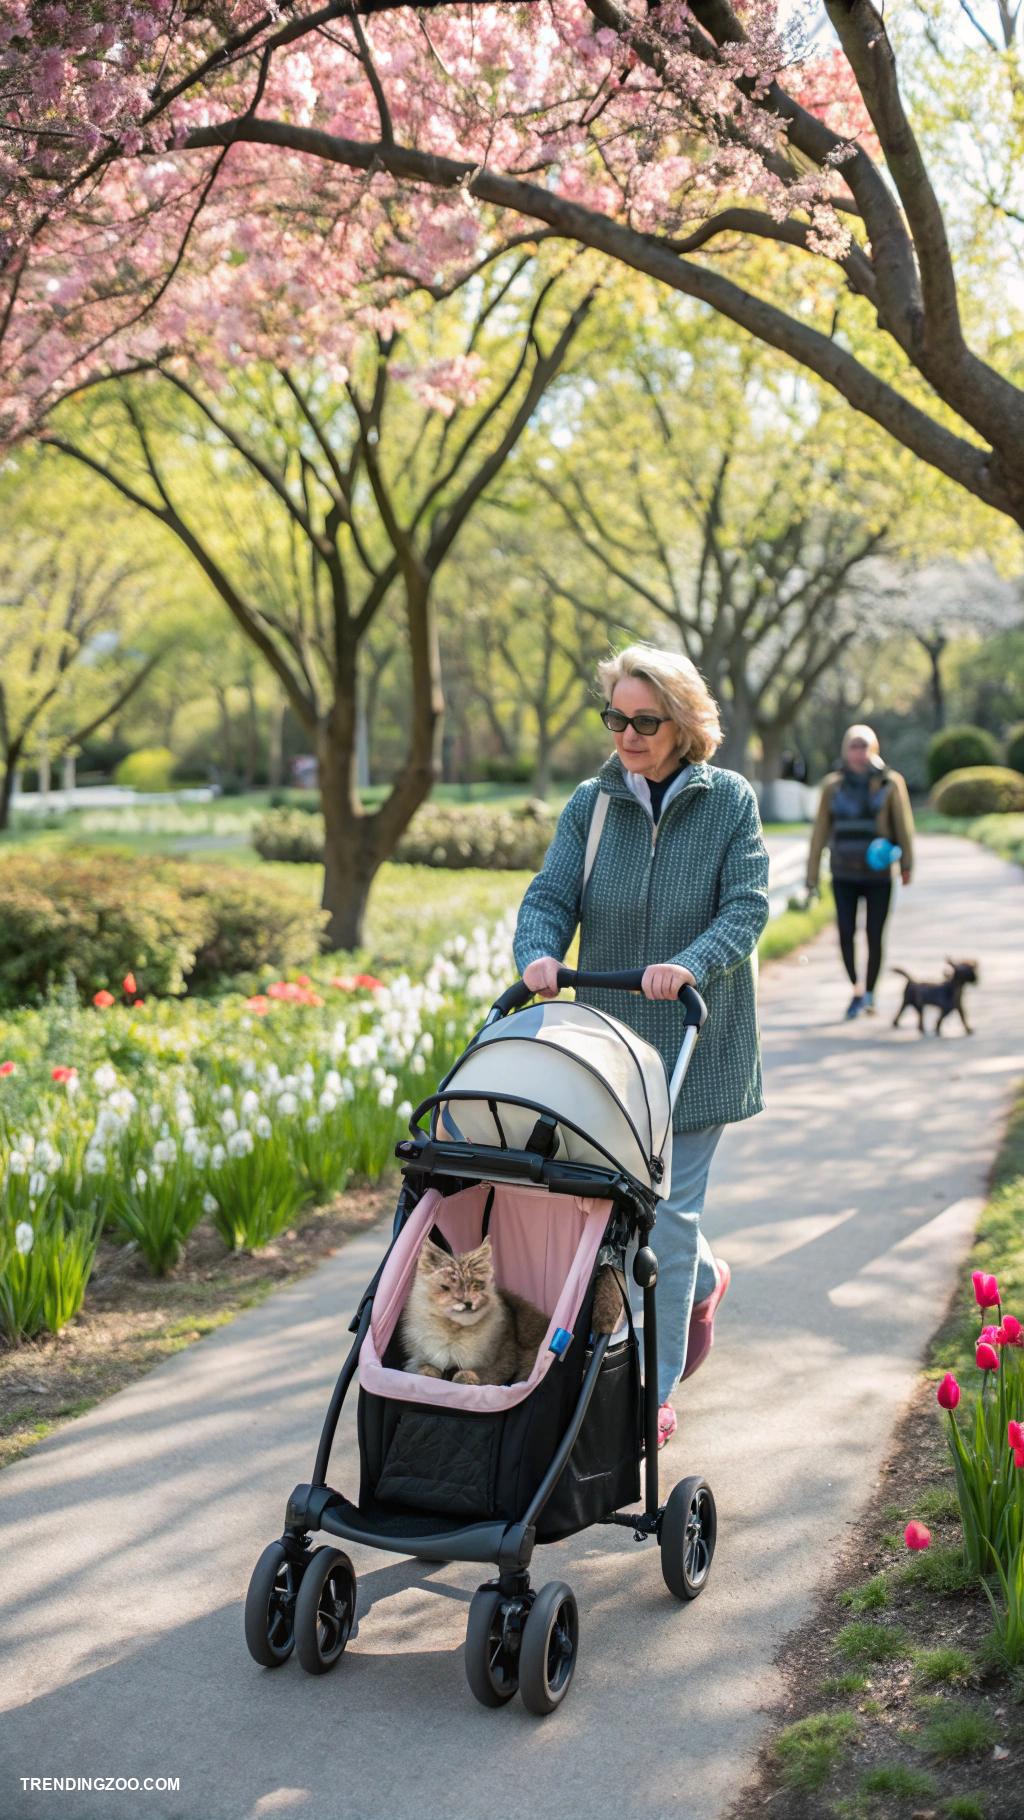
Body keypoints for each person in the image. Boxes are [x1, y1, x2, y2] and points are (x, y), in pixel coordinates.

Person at [513, 644, 770, 1448]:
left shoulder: (729, 801)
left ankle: (650, 1394)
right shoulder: (592, 805)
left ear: (684, 723)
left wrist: (690, 964)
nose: (627, 734)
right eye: (616, 718)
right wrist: (537, 952)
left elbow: (749, 905)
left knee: (668, 1214)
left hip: (699, 1039)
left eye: (645, 720)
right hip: (608, 1048)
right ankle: (700, 1280)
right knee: (617, 1208)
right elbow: (550, 894)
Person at [806, 724, 915, 1020]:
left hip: (879, 874)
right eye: (854, 746)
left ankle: (869, 992)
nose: (859, 752)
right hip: (843, 873)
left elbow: (903, 827)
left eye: (864, 746)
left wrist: (907, 866)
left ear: (874, 748)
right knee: (845, 933)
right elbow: (820, 833)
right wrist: (812, 876)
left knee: (875, 934)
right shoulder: (833, 785)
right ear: (845, 749)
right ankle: (855, 985)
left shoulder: (890, 783)